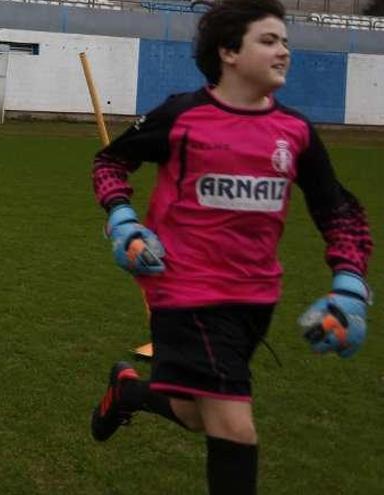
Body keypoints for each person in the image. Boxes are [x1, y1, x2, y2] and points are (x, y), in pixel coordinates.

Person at [87, 0, 372, 493]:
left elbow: (338, 209)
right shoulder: (182, 116)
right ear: (228, 52)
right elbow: (110, 163)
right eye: (269, 40)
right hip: (185, 291)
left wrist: (349, 285)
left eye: (284, 41)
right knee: (235, 427)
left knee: (195, 413)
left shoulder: (296, 131)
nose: (283, 51)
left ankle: (130, 391)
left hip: (256, 299)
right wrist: (124, 221)